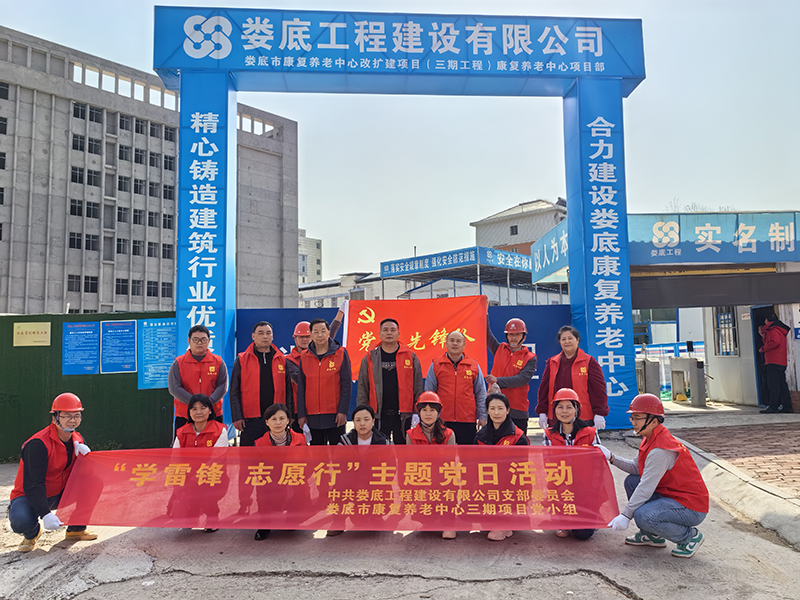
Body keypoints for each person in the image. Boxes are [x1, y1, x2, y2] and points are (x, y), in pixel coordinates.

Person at [602, 393, 709, 559]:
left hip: (690, 506)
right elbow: (637, 468)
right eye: (632, 417)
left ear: (653, 420)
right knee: (632, 481)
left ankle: (689, 537)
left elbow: (646, 486)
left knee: (643, 515)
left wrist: (626, 515)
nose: (633, 422)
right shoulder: (650, 437)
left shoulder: (661, 450)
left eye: (637, 418)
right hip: (673, 497)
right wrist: (612, 457)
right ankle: (652, 535)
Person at [9, 393, 97, 552]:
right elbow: (33, 484)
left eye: (77, 415)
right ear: (55, 417)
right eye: (66, 416)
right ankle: (32, 533)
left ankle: (76, 529)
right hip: (29, 495)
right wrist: (45, 514)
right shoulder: (38, 444)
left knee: (95, 483)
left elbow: (84, 477)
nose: (72, 420)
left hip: (59, 493)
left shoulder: (77, 439)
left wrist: (85, 460)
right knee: (21, 521)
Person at [542, 388, 601, 541]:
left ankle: (593, 513)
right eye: (560, 407)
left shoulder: (591, 433)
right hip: (562, 490)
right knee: (562, 533)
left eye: (569, 407)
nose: (564, 411)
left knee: (583, 534)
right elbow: (549, 468)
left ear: (577, 410)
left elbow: (598, 466)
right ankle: (562, 517)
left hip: (586, 490)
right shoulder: (549, 435)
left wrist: (593, 492)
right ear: (554, 410)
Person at [356, 318, 424, 444]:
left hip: (404, 415)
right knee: (379, 450)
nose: (389, 333)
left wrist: (417, 411)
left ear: (398, 334)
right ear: (380, 334)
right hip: (378, 415)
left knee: (404, 450)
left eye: (392, 330)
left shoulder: (410, 356)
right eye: (385, 330)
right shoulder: (371, 357)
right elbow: (362, 387)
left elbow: (418, 386)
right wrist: (361, 412)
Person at [169, 394, 228, 532]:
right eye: (194, 409)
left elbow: (216, 459)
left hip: (212, 476)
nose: (198, 412)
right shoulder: (181, 432)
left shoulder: (220, 431)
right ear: (189, 412)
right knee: (172, 510)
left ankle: (213, 517)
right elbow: (175, 459)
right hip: (188, 476)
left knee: (202, 492)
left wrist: (193, 483)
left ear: (210, 410)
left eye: (202, 408)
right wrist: (178, 486)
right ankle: (192, 515)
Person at [476, 393, 529, 541]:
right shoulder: (480, 436)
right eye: (492, 408)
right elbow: (474, 465)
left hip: (510, 487)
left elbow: (521, 469)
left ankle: (507, 522)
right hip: (487, 485)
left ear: (508, 410)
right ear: (487, 411)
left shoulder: (518, 437)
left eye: (500, 408)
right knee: (480, 523)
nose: (496, 412)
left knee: (493, 535)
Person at [230, 321, 292, 446]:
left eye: (268, 333)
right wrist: (237, 416)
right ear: (253, 336)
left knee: (277, 455)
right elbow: (234, 391)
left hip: (276, 419)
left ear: (272, 336)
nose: (265, 336)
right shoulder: (242, 360)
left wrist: (289, 416)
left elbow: (288, 390)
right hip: (250, 419)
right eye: (261, 333)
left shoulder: (282, 359)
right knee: (249, 455)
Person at [535, 325, 608, 431]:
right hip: (557, 416)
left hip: (583, 417)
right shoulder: (552, 362)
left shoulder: (589, 362)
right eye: (563, 339)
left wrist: (599, 413)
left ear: (577, 340)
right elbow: (544, 389)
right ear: (560, 342)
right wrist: (542, 412)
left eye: (570, 338)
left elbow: (598, 390)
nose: (567, 342)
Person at [252, 403, 307, 541]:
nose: (278, 423)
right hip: (270, 481)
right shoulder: (259, 443)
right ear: (267, 422)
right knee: (262, 490)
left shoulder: (300, 439)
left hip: (293, 479)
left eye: (282, 418)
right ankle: (264, 525)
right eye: (273, 419)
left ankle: (292, 518)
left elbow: (308, 462)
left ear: (288, 420)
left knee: (301, 490)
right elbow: (256, 468)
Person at [406, 391, 456, 539]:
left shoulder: (449, 434)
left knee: (451, 485)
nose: (428, 414)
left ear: (438, 412)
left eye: (432, 410)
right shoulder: (410, 435)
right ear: (419, 412)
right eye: (424, 410)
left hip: (443, 480)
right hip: (421, 480)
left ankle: (449, 522)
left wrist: (435, 480)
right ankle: (428, 518)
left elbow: (450, 464)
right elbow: (410, 464)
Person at [424, 330, 487, 444]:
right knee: (442, 453)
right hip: (442, 419)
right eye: (451, 340)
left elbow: (481, 393)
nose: (455, 343)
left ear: (464, 345)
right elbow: (429, 393)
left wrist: (483, 416)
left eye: (458, 341)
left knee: (467, 453)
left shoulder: (473, 366)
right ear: (446, 343)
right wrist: (431, 417)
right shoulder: (436, 365)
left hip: (467, 419)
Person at [296, 318, 352, 445]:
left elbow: (346, 386)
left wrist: (343, 411)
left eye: (323, 331)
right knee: (316, 453)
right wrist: (302, 414)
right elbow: (301, 388)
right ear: (311, 335)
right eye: (315, 332)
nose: (319, 335)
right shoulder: (304, 356)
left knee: (337, 453)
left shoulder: (340, 353)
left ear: (328, 332)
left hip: (335, 415)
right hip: (312, 416)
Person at [168, 324, 228, 432]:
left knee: (215, 442)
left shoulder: (218, 362)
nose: (199, 343)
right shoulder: (178, 363)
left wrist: (207, 404)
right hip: (185, 414)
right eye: (195, 339)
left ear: (209, 341)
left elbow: (222, 386)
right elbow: (174, 388)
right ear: (189, 341)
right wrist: (195, 404)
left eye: (203, 340)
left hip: (213, 412)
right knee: (184, 442)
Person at [485, 317, 537, 433]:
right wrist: (485, 312)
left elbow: (521, 380)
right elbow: (486, 334)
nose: (513, 337)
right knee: (495, 441)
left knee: (518, 442)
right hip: (496, 408)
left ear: (524, 337)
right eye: (511, 334)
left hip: (517, 410)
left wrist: (497, 380)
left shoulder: (530, 358)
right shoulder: (499, 349)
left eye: (517, 334)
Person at [759, 313, 793, 414]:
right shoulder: (779, 329)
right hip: (780, 360)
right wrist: (763, 337)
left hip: (773, 360)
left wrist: (763, 348)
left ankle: (773, 406)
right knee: (782, 384)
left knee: (773, 384)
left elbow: (774, 342)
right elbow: (773, 341)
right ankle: (787, 406)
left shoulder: (772, 329)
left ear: (767, 320)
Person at [285, 321, 312, 432]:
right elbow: (300, 380)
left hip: (317, 410)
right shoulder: (288, 360)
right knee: (299, 441)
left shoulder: (321, 357)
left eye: (307, 336)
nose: (304, 339)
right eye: (301, 337)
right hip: (297, 411)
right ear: (295, 339)